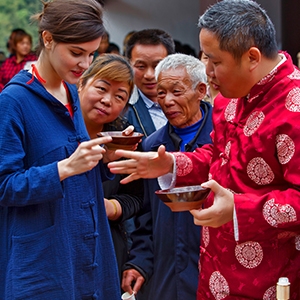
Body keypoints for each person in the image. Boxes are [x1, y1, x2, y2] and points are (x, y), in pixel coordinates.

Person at [108, 0, 300, 298]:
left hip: (270, 279)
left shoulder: (294, 108)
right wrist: (172, 164)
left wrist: (238, 209)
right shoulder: (229, 98)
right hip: (213, 270)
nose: (207, 72)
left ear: (251, 57)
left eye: (215, 61)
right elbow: (219, 155)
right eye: (204, 58)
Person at [0, 0, 121, 299]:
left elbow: (76, 164)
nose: (84, 64)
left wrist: (106, 156)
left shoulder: (71, 92)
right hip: (43, 259)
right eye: (76, 53)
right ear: (47, 39)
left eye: (91, 54)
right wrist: (64, 168)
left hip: (86, 248)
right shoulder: (13, 101)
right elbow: (5, 186)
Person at [121, 53, 213, 299]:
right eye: (161, 93)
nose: (168, 101)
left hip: (213, 266)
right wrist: (139, 262)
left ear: (201, 90)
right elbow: (146, 215)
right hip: (167, 271)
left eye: (177, 91)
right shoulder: (153, 146)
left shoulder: (223, 138)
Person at [78, 53, 144, 287]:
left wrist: (112, 208)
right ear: (82, 83)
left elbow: (136, 196)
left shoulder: (125, 136)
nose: (108, 100)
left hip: (106, 245)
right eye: (101, 88)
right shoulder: (56, 128)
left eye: (119, 97)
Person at [124, 28, 175, 139]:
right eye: (141, 66)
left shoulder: (189, 103)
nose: (149, 75)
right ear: (129, 65)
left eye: (157, 66)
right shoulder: (122, 109)